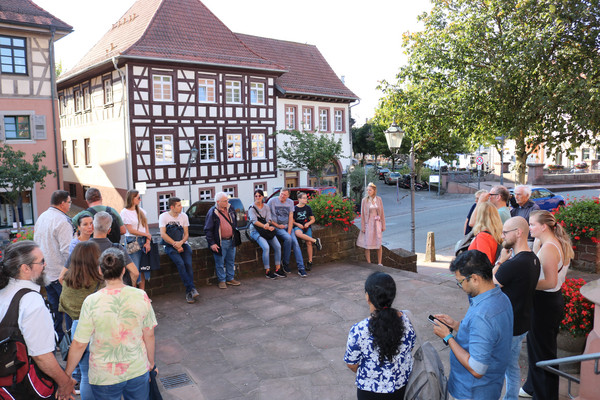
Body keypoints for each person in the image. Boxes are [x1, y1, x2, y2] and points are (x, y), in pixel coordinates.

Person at [65, 248, 157, 400]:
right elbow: (149, 334)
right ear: (123, 270)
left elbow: (79, 344)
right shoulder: (141, 296)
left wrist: (67, 375)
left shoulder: (91, 302)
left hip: (104, 375)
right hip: (137, 368)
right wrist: (151, 362)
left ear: (100, 271)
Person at [432, 250, 513, 400]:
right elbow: (489, 335)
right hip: (490, 386)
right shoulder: (502, 298)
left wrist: (448, 337)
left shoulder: (482, 315)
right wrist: (456, 325)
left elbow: (477, 368)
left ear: (475, 279)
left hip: (472, 392)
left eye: (461, 282)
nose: (460, 286)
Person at [0, 241, 76, 399]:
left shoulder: (4, 291)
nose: (45, 264)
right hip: (25, 385)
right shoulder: (31, 301)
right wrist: (64, 383)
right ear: (25, 268)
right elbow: (41, 355)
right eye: (41, 261)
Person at [520, 210, 574, 400]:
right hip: (549, 302)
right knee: (539, 350)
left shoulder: (550, 247)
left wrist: (524, 285)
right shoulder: (547, 243)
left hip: (545, 303)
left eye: (532, 224)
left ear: (543, 226)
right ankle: (534, 388)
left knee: (543, 354)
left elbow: (549, 282)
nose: (529, 228)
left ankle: (545, 396)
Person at [344, 271, 416, 399]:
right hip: (400, 387)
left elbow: (352, 363)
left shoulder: (359, 330)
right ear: (392, 296)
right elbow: (410, 347)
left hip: (369, 391)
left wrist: (371, 374)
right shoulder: (407, 321)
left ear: (368, 297)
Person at [492, 217, 540, 400]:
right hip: (521, 324)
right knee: (511, 367)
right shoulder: (533, 259)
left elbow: (486, 286)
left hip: (508, 327)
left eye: (505, 232)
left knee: (495, 368)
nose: (502, 236)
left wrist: (499, 262)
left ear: (518, 233)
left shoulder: (513, 264)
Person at [59, 241, 105, 400]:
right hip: (98, 333)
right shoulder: (100, 281)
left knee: (86, 375)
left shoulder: (67, 279)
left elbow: (63, 304)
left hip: (77, 331)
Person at [33, 189, 74, 343]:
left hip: (45, 273)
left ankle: (58, 340)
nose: (70, 205)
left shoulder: (42, 217)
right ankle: (70, 342)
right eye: (69, 202)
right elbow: (67, 251)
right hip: (60, 274)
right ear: (62, 203)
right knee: (70, 310)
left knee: (55, 311)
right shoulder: (62, 221)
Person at [61, 212, 139, 287]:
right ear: (109, 230)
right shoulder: (118, 249)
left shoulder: (80, 249)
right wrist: (123, 289)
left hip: (90, 297)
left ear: (93, 227)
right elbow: (135, 273)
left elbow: (61, 277)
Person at [159, 197, 200, 303]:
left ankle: (189, 292)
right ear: (172, 207)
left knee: (188, 264)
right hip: (170, 245)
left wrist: (181, 243)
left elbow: (186, 234)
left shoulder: (184, 216)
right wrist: (175, 244)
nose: (181, 207)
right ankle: (191, 289)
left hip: (183, 244)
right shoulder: (164, 216)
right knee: (180, 264)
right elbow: (163, 234)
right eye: (179, 205)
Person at [267, 188, 307, 277]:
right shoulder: (272, 201)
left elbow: (290, 217)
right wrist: (277, 226)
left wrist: (289, 231)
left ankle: (301, 268)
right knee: (288, 239)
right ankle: (285, 263)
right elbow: (268, 218)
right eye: (281, 194)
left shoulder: (290, 202)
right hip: (277, 227)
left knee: (295, 243)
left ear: (288, 196)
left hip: (288, 227)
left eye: (284, 195)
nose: (282, 196)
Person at [204, 192, 242, 288]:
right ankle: (221, 280)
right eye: (225, 201)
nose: (227, 202)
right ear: (218, 202)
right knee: (219, 262)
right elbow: (208, 230)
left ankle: (230, 278)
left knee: (231, 260)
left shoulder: (230, 208)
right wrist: (212, 243)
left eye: (227, 200)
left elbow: (234, 222)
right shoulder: (212, 212)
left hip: (231, 240)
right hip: (220, 242)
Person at [247, 189, 285, 279]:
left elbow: (269, 218)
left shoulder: (266, 206)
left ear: (262, 197)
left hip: (266, 229)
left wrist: (267, 224)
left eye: (259, 196)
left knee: (278, 246)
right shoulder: (251, 208)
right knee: (266, 247)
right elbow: (254, 222)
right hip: (255, 231)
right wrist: (266, 226)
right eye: (256, 196)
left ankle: (278, 269)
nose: (257, 198)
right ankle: (267, 271)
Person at [120, 190, 152, 291]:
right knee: (134, 270)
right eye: (138, 198)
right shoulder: (124, 212)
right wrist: (146, 235)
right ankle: (133, 293)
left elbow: (146, 226)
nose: (140, 199)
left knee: (143, 268)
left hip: (143, 241)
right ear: (132, 199)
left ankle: (142, 293)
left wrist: (147, 241)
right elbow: (130, 230)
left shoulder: (141, 211)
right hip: (132, 241)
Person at [356, 183, 386, 266]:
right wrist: (363, 227)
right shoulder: (364, 200)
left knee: (379, 243)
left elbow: (382, 213)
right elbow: (362, 215)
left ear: (374, 191)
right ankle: (369, 263)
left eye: (370, 190)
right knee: (367, 244)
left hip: (377, 223)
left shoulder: (379, 199)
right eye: (367, 190)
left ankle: (380, 263)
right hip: (368, 223)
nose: (368, 191)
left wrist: (383, 225)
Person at [292, 192, 322, 271]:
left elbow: (313, 219)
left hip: (307, 226)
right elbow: (292, 220)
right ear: (299, 199)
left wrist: (308, 223)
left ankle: (310, 261)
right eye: (304, 198)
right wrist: (298, 224)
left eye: (306, 198)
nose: (306, 199)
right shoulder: (295, 208)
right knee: (297, 233)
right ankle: (315, 241)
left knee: (308, 243)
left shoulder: (308, 208)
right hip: (298, 227)